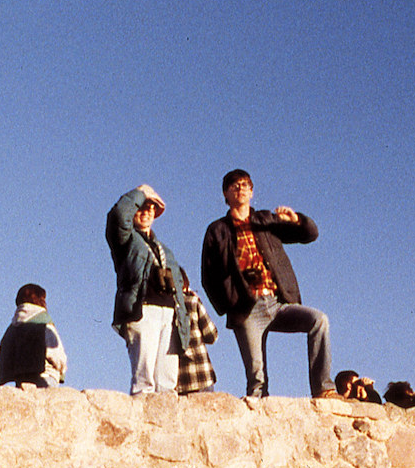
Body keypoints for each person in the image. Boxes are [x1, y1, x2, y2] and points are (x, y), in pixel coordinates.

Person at [200, 169, 333, 398]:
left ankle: (323, 388)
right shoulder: (217, 230)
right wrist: (230, 304)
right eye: (234, 186)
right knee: (257, 380)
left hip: (277, 302)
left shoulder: (265, 220)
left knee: (319, 320)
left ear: (252, 192)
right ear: (225, 193)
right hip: (246, 308)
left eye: (244, 185)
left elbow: (309, 235)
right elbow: (208, 276)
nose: (240, 189)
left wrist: (297, 220)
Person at [107, 185, 191, 394]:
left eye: (150, 209)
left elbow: (179, 284)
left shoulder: (165, 249)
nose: (145, 212)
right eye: (141, 208)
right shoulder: (125, 240)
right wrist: (140, 192)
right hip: (143, 309)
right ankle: (142, 422)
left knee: (168, 381)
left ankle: (166, 424)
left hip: (169, 313)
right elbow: (118, 216)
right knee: (144, 379)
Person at [0, 283, 66, 388]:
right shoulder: (43, 322)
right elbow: (56, 354)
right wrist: (61, 369)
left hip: (22, 380)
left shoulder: (12, 327)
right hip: (46, 376)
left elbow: (3, 355)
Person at [177, 270, 219, 395]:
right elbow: (212, 335)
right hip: (202, 376)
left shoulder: (165, 307)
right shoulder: (192, 302)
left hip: (179, 380)